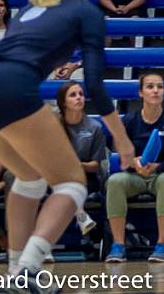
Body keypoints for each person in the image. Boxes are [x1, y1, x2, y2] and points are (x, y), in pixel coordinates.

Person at [0, 0, 135, 286]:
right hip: (8, 87)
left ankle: (16, 272)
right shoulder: (85, 10)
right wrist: (122, 141)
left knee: (29, 178)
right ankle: (29, 268)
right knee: (71, 184)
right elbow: (94, 85)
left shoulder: (27, 11)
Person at [104, 71, 164, 263]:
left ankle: (162, 246)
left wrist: (157, 166)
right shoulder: (130, 120)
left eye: (160, 87)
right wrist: (134, 163)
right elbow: (117, 147)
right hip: (136, 175)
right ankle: (118, 245)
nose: (156, 91)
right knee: (115, 181)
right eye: (150, 86)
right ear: (141, 93)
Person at [57, 81, 108, 236]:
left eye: (81, 94)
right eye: (73, 95)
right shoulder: (52, 125)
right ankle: (81, 217)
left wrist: (78, 165)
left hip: (84, 178)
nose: (79, 98)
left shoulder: (94, 127)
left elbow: (96, 165)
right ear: (63, 102)